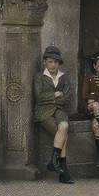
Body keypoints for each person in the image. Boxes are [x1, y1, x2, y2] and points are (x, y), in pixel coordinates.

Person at [33, 46, 74, 184]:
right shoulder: (39, 77)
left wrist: (59, 98)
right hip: (43, 112)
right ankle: (63, 170)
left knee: (64, 125)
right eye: (50, 62)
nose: (53, 65)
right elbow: (39, 97)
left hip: (59, 110)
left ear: (59, 63)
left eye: (56, 62)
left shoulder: (63, 77)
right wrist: (55, 94)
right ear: (45, 62)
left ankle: (53, 160)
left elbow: (67, 97)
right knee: (62, 134)